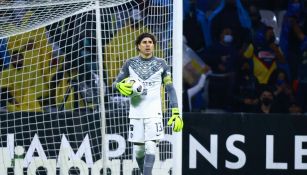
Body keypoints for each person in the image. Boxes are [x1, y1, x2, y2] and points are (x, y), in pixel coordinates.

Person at [113, 33, 183, 175]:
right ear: (138, 46)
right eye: (144, 42)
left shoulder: (161, 64)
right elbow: (115, 83)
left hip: (154, 112)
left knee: (151, 147)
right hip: (136, 112)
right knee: (138, 151)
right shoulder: (130, 63)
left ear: (153, 45)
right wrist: (119, 86)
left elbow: (169, 87)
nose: (147, 44)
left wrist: (175, 111)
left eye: (150, 42)